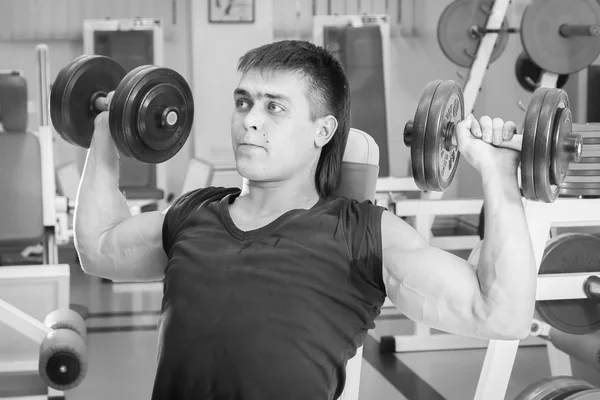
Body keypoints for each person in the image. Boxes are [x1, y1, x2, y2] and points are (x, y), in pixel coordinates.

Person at [73, 40, 537, 399]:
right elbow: (98, 248)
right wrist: (105, 129)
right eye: (242, 102)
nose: (250, 121)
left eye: (274, 106)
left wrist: (498, 174)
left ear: (323, 130)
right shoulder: (193, 212)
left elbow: (500, 313)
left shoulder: (361, 233)